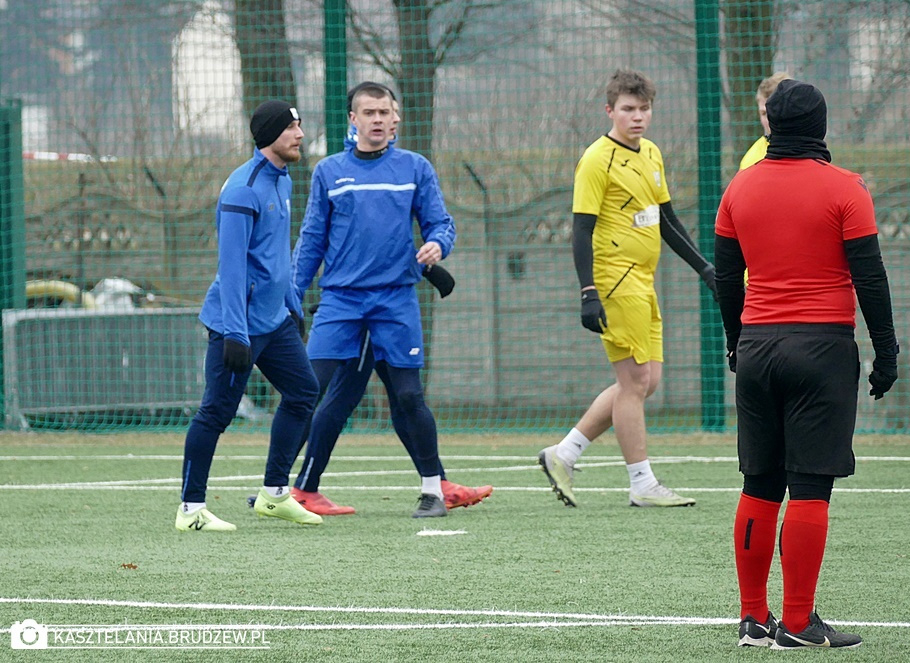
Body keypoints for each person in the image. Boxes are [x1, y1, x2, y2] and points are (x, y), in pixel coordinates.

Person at [714, 79, 898, 649]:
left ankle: (752, 619)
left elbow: (727, 277)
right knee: (810, 487)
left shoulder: (739, 188)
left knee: (759, 483)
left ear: (771, 123)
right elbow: (870, 277)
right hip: (821, 349)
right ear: (820, 126)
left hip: (758, 346)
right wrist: (886, 351)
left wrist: (735, 342)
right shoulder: (846, 188)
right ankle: (797, 623)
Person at [289, 82, 490, 519]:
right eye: (369, 112)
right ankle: (279, 490)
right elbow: (311, 240)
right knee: (307, 391)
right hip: (340, 303)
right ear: (353, 119)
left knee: (409, 396)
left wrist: (437, 244)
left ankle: (433, 492)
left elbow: (441, 223)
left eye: (384, 112)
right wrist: (291, 295)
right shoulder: (328, 171)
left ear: (396, 118)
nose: (378, 119)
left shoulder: (415, 168)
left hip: (395, 302)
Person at [538, 69, 717, 508]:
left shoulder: (651, 153)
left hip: (643, 279)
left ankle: (564, 454)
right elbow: (581, 230)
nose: (637, 117)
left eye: (644, 108)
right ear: (610, 110)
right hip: (614, 280)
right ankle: (642, 483)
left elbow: (667, 221)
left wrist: (705, 269)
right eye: (628, 109)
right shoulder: (596, 160)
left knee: (645, 381)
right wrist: (587, 292)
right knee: (635, 381)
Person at [176, 100, 323, 532]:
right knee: (215, 413)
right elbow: (232, 267)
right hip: (236, 325)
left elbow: (276, 254)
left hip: (274, 321)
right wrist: (236, 334)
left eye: (300, 126)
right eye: (291, 127)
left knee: (303, 392)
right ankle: (190, 510)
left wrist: (291, 303)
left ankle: (274, 495)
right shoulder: (243, 188)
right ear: (270, 135)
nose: (300, 134)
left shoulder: (283, 180)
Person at [738, 72, 792, 171]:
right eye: (764, 113)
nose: (769, 120)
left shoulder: (814, 149)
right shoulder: (752, 161)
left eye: (774, 111)